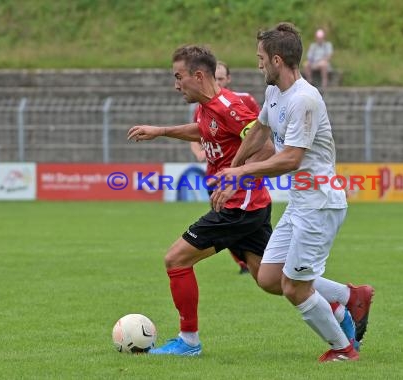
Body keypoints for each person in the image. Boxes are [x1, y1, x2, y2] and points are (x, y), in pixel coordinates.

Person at [128, 44, 367, 358]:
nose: (176, 84)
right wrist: (161, 131)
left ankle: (188, 341)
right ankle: (344, 302)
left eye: (178, 76)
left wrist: (237, 175)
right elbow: (205, 131)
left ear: (198, 76)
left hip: (240, 207)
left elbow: (267, 148)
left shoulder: (232, 106)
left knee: (176, 259)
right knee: (272, 280)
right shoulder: (207, 108)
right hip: (244, 205)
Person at [210, 23, 373, 362]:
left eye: (260, 58)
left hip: (320, 204)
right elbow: (258, 130)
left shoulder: (305, 99)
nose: (258, 65)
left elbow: (290, 158)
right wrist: (233, 169)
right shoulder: (275, 93)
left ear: (277, 60)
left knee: (294, 288)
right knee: (269, 278)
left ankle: (343, 350)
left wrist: (240, 173)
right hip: (301, 203)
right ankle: (350, 296)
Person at [189, 61, 262, 274]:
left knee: (177, 258)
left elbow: (258, 133)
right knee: (269, 274)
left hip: (238, 179)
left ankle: (244, 263)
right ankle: (244, 261)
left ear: (227, 79)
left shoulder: (242, 100)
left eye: (221, 78)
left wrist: (242, 170)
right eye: (216, 77)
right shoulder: (202, 106)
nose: (218, 81)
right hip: (214, 177)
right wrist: (198, 151)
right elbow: (199, 133)